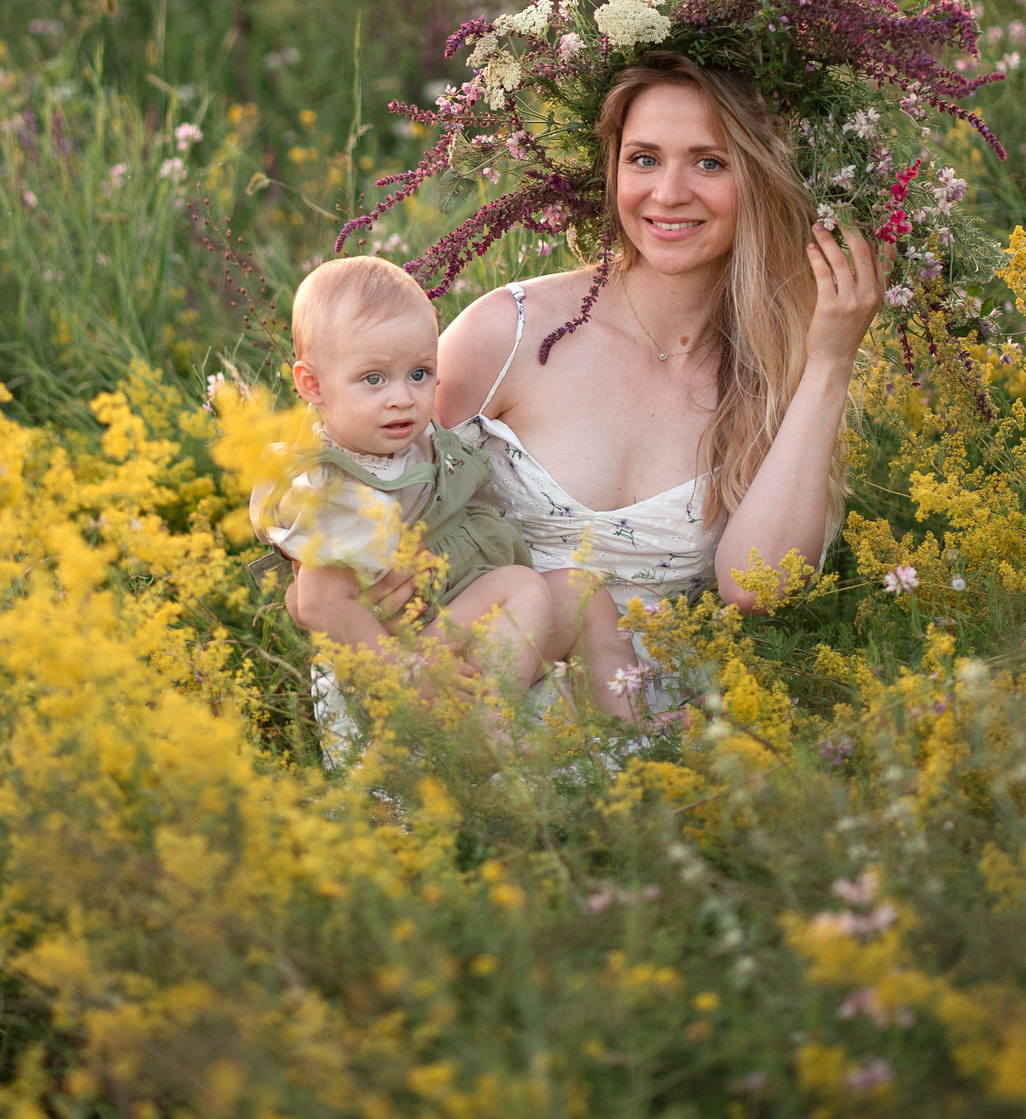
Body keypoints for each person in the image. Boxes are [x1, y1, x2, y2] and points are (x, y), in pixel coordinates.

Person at [318, 55, 885, 700]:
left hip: (645, 719)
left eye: (709, 162)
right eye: (644, 158)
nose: (667, 193)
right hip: (461, 696)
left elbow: (760, 587)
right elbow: (349, 466)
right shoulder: (510, 332)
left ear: (763, 177)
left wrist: (830, 364)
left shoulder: (780, 367)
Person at [254, 256, 659, 720]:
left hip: (461, 620)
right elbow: (316, 602)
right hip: (408, 665)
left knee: (581, 593)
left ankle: (631, 725)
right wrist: (406, 676)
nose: (402, 398)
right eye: (373, 379)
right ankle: (487, 738)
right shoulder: (331, 487)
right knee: (521, 587)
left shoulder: (412, 442)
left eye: (419, 374)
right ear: (313, 385)